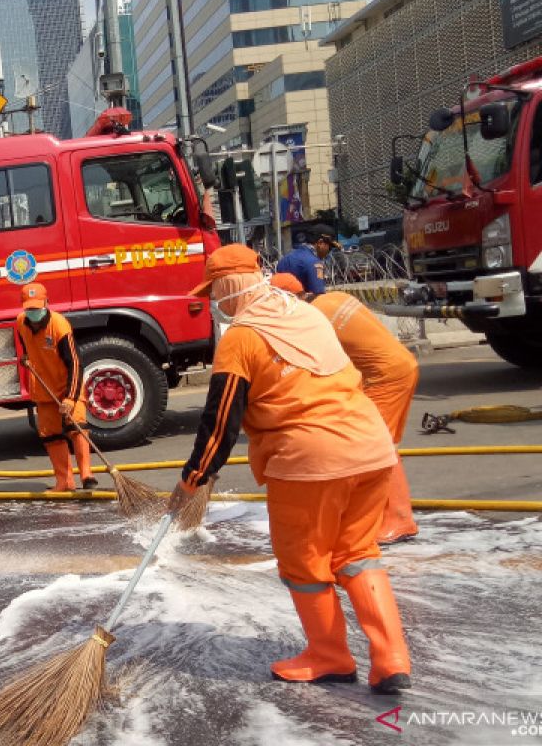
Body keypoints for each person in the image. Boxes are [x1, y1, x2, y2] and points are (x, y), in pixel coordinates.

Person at [168, 244, 412, 695]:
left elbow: (221, 421)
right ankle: (391, 659)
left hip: (310, 463)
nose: (214, 303)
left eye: (215, 293)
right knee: (357, 554)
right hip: (371, 448)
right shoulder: (305, 314)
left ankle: (329, 655)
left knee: (305, 563)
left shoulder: (242, 336)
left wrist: (193, 479)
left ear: (227, 288)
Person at [270, 272, 420, 543]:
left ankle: (398, 520)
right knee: (381, 444)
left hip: (384, 377)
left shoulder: (312, 318)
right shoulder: (335, 298)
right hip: (401, 365)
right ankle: (381, 516)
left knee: (374, 448)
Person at [13, 282, 94, 492]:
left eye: (37, 308)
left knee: (77, 426)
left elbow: (75, 363)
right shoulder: (21, 322)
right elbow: (24, 346)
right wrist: (25, 358)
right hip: (43, 388)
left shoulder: (59, 326)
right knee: (51, 435)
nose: (33, 313)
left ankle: (86, 474)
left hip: (67, 386)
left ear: (46, 303)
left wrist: (70, 397)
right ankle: (65, 482)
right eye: (29, 309)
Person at [275, 223, 338, 299]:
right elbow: (318, 296)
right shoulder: (315, 263)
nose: (329, 251)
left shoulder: (285, 259)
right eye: (330, 247)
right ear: (320, 243)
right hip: (302, 308)